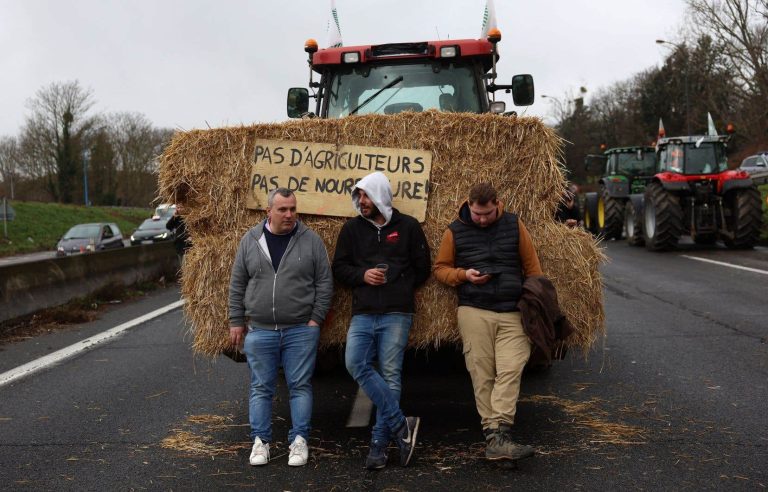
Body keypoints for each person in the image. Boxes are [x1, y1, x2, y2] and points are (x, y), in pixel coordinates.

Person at [433, 182, 542, 463]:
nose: (482, 219)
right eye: (477, 214)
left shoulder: (514, 225)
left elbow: (533, 268)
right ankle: (496, 438)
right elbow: (440, 269)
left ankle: (499, 434)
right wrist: (463, 275)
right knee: (482, 372)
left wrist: (532, 300)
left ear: (498, 204)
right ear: (469, 205)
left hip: (511, 310)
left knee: (512, 367)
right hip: (474, 309)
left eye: (488, 214)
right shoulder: (454, 230)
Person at [332, 171, 431, 470]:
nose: (361, 201)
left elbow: (422, 267)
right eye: (359, 196)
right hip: (363, 312)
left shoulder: (408, 227)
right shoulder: (351, 230)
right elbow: (339, 268)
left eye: (366, 196)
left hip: (396, 312)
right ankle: (402, 426)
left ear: (380, 197)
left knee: (391, 374)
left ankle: (379, 443)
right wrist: (362, 276)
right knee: (355, 363)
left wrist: (398, 287)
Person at [228, 187, 333, 467]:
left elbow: (324, 282)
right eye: (282, 209)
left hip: (300, 329)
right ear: (269, 212)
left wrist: (315, 321)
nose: (289, 215)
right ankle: (260, 442)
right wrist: (236, 320)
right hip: (260, 329)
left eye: (292, 209)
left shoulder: (310, 241)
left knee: (300, 385)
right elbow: (238, 283)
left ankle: (299, 440)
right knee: (261, 387)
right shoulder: (250, 240)